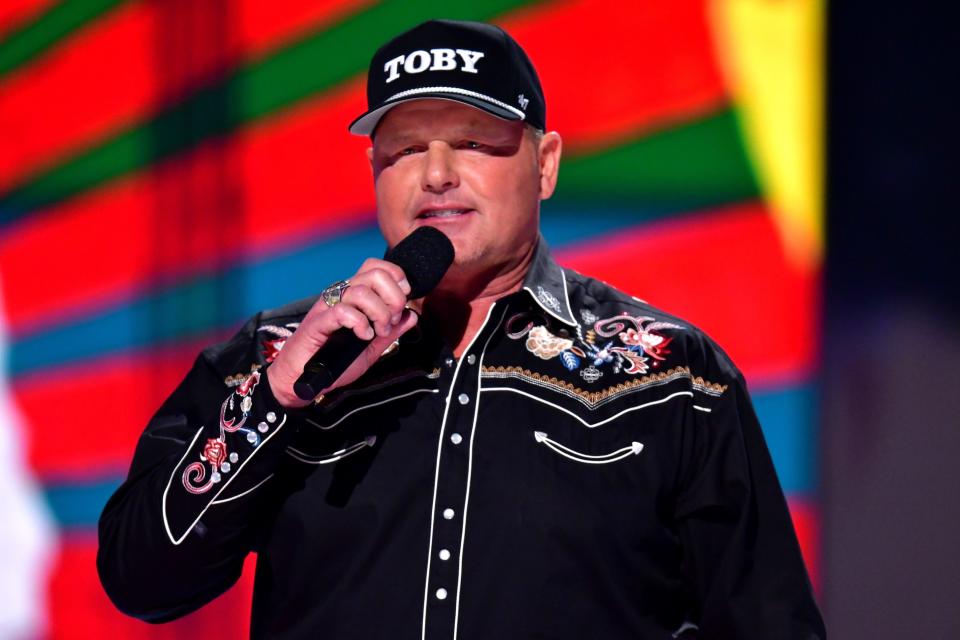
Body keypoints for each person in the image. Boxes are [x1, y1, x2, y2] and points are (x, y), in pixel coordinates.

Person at [98, 19, 826, 639]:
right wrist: (276, 399)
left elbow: (765, 621)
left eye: (475, 144)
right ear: (374, 170)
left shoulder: (672, 376)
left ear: (544, 166)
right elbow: (142, 580)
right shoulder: (273, 356)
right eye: (406, 150)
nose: (437, 174)